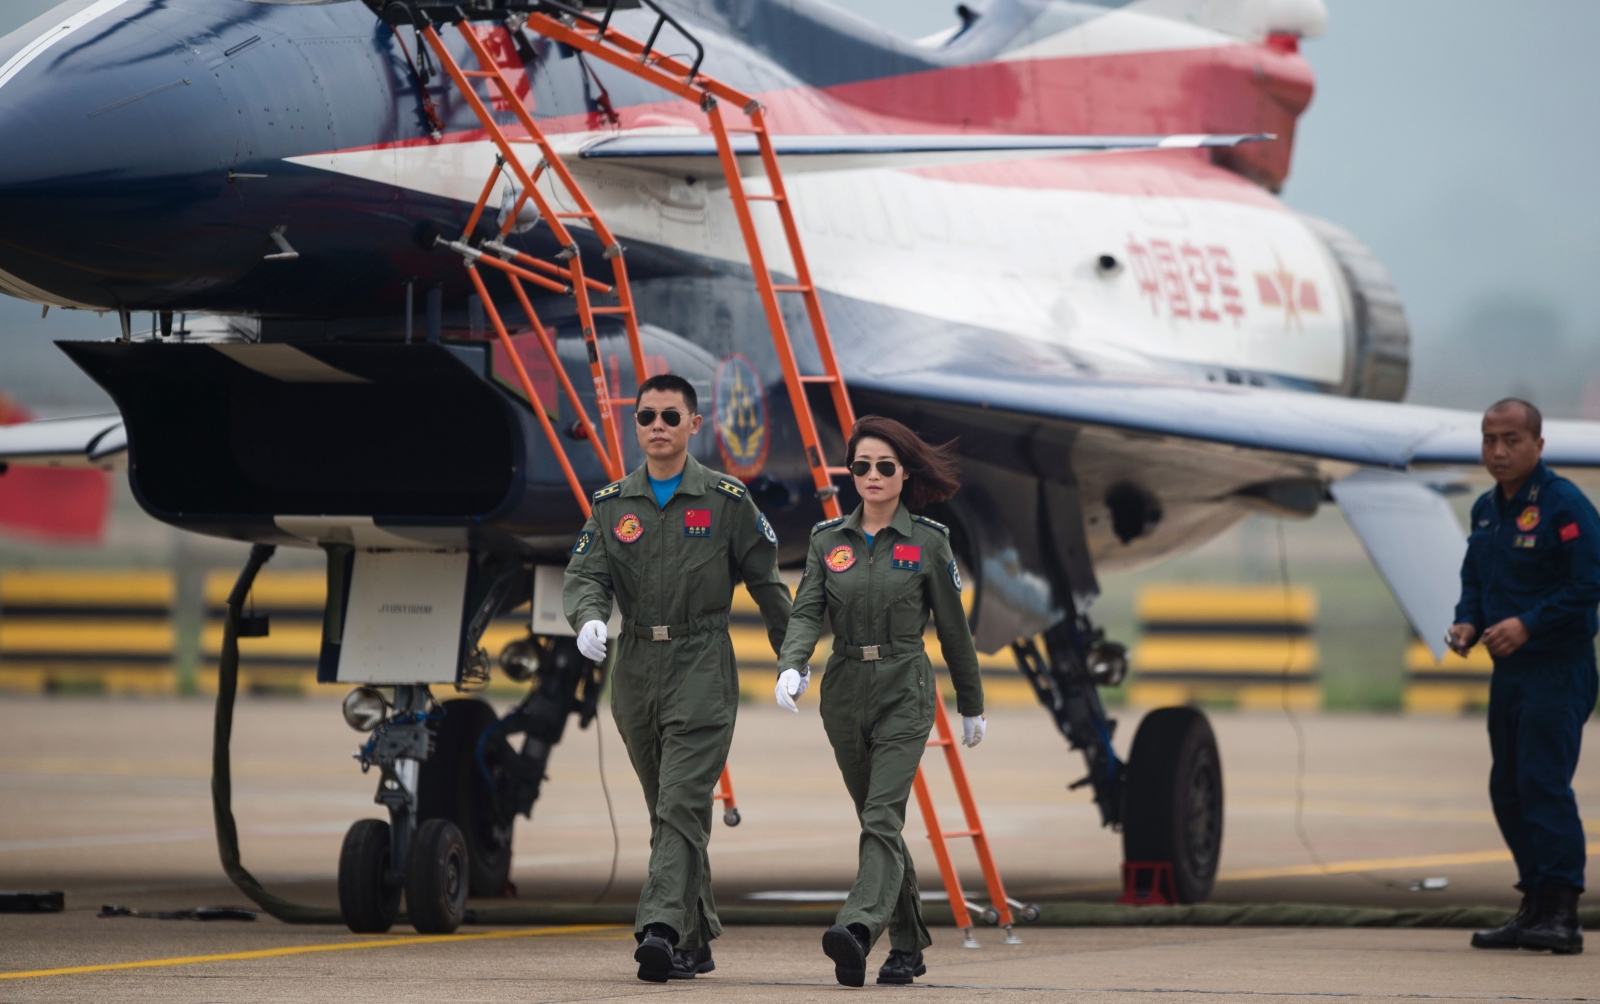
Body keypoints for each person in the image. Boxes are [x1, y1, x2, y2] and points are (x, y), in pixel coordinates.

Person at [564, 373, 792, 982]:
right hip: (636, 666)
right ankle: (696, 939)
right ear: (634, 425)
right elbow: (586, 576)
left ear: (694, 424)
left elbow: (767, 581)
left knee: (679, 802)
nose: (657, 427)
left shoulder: (725, 499)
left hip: (701, 662)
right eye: (646, 417)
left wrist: (790, 656)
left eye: (670, 416)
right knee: (669, 810)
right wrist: (588, 618)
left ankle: (659, 930)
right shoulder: (612, 504)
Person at [773, 415, 985, 987]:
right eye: (861, 465)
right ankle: (909, 947)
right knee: (879, 824)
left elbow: (954, 632)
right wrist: (793, 665)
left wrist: (972, 702)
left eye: (884, 466)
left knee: (880, 816)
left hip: (904, 688)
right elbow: (806, 613)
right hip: (843, 690)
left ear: (904, 472)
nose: (871, 475)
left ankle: (858, 928)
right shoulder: (826, 542)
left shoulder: (929, 543)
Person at [1450, 398, 1600, 955]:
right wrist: (1469, 622)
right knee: (1508, 788)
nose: (1499, 451)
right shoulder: (1488, 511)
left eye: (1512, 440)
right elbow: (1475, 577)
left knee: (1542, 783)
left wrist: (1529, 625)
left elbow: (1588, 583)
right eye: (1490, 439)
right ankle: (1533, 903)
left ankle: (1562, 912)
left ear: (1539, 445)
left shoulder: (1563, 505)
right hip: (1510, 674)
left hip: (1557, 669)